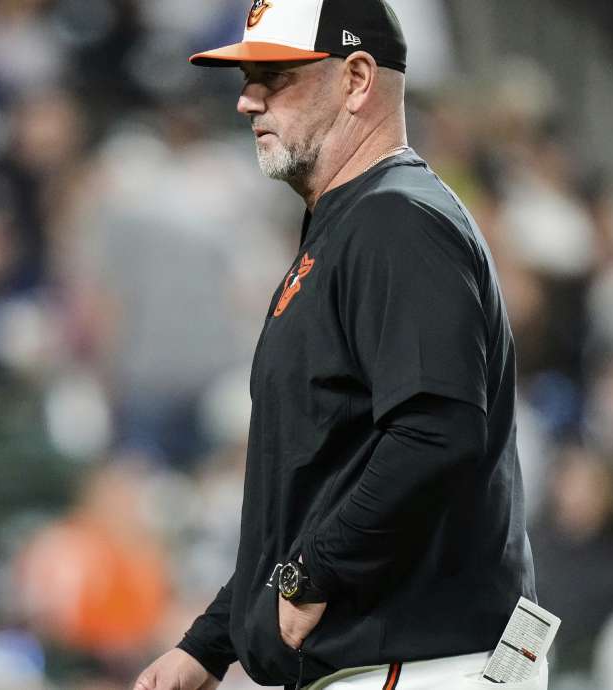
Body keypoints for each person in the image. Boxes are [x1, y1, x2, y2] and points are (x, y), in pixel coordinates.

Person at [133, 1, 538, 689]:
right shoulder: (354, 223)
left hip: (418, 664)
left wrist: (307, 576)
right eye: (247, 78)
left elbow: (435, 433)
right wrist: (211, 644)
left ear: (356, 79)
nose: (246, 101)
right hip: (396, 661)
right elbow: (320, 483)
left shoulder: (396, 221)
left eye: (276, 76)